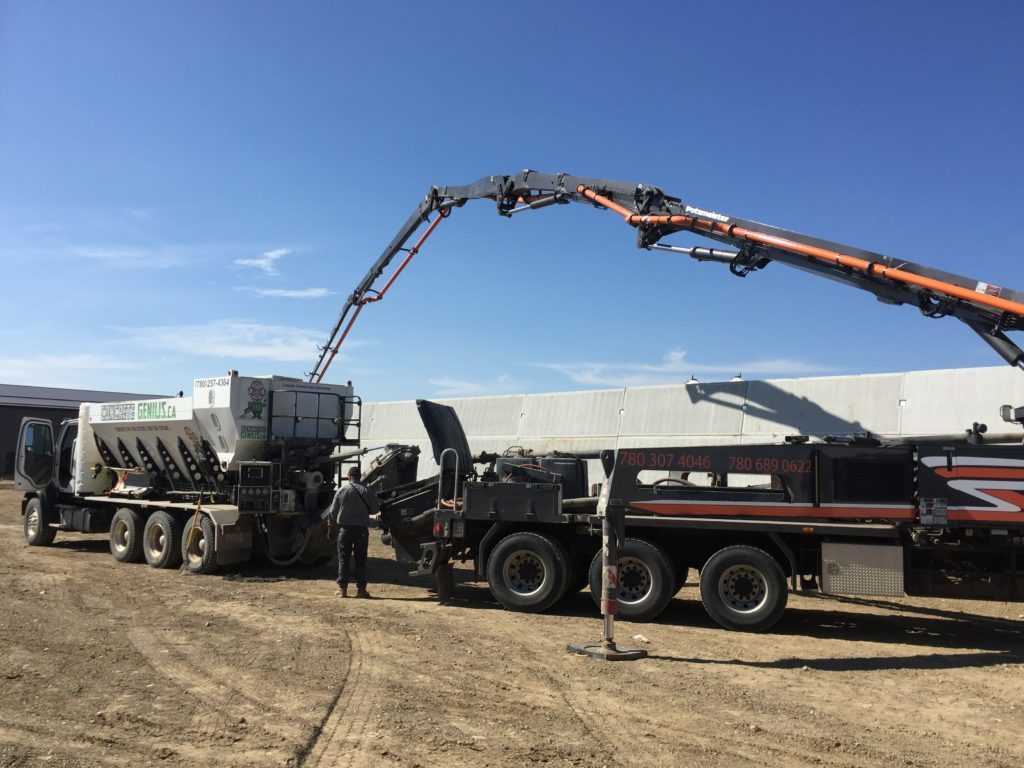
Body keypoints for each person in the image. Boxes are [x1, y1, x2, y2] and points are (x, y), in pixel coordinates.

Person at [325, 465, 380, 598]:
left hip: (345, 530)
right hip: (361, 530)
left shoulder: (341, 490)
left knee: (344, 559)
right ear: (359, 476)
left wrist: (330, 527)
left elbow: (332, 513)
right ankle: (361, 590)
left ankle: (342, 590)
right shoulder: (367, 490)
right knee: (361, 559)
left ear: (349, 477)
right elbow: (374, 510)